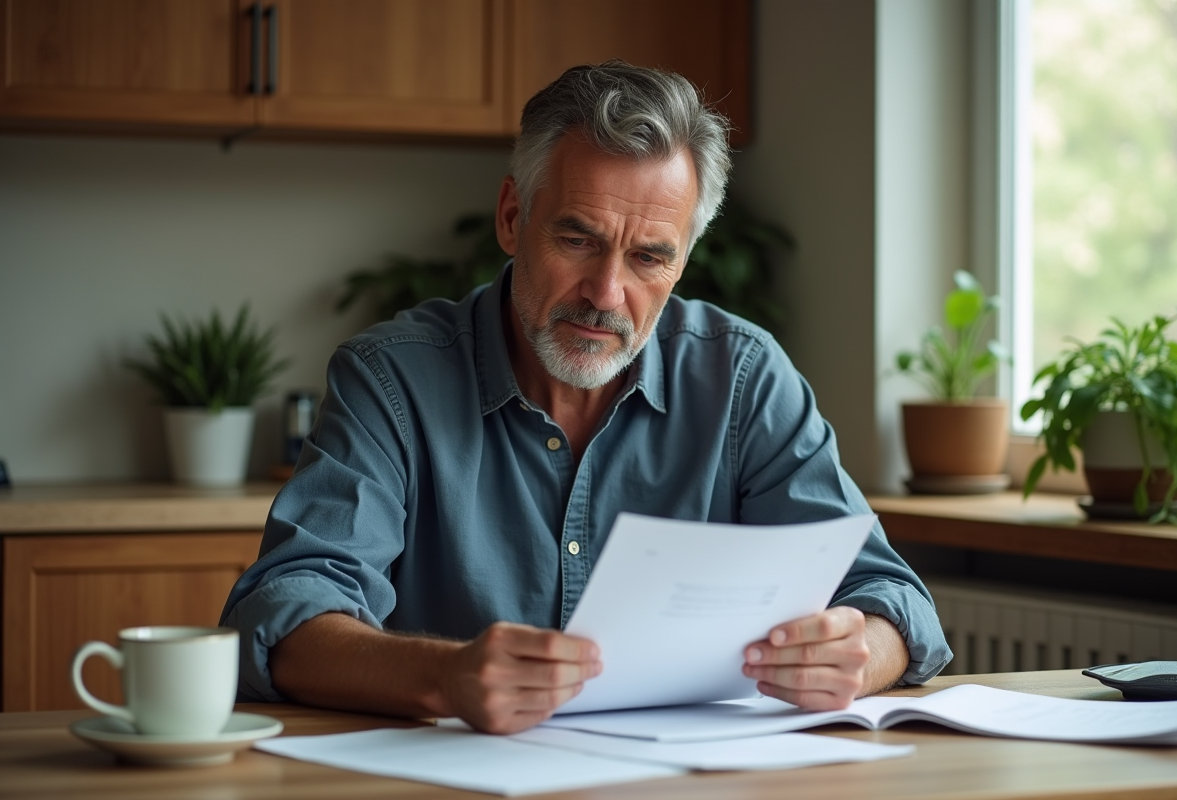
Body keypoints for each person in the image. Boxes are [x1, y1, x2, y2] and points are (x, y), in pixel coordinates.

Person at [221, 60, 951, 735]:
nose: (606, 294)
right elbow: (283, 611)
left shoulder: (745, 379)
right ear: (512, 217)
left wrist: (860, 652)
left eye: (649, 257)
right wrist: (444, 676)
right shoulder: (392, 381)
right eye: (577, 239)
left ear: (682, 260)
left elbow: (893, 598)